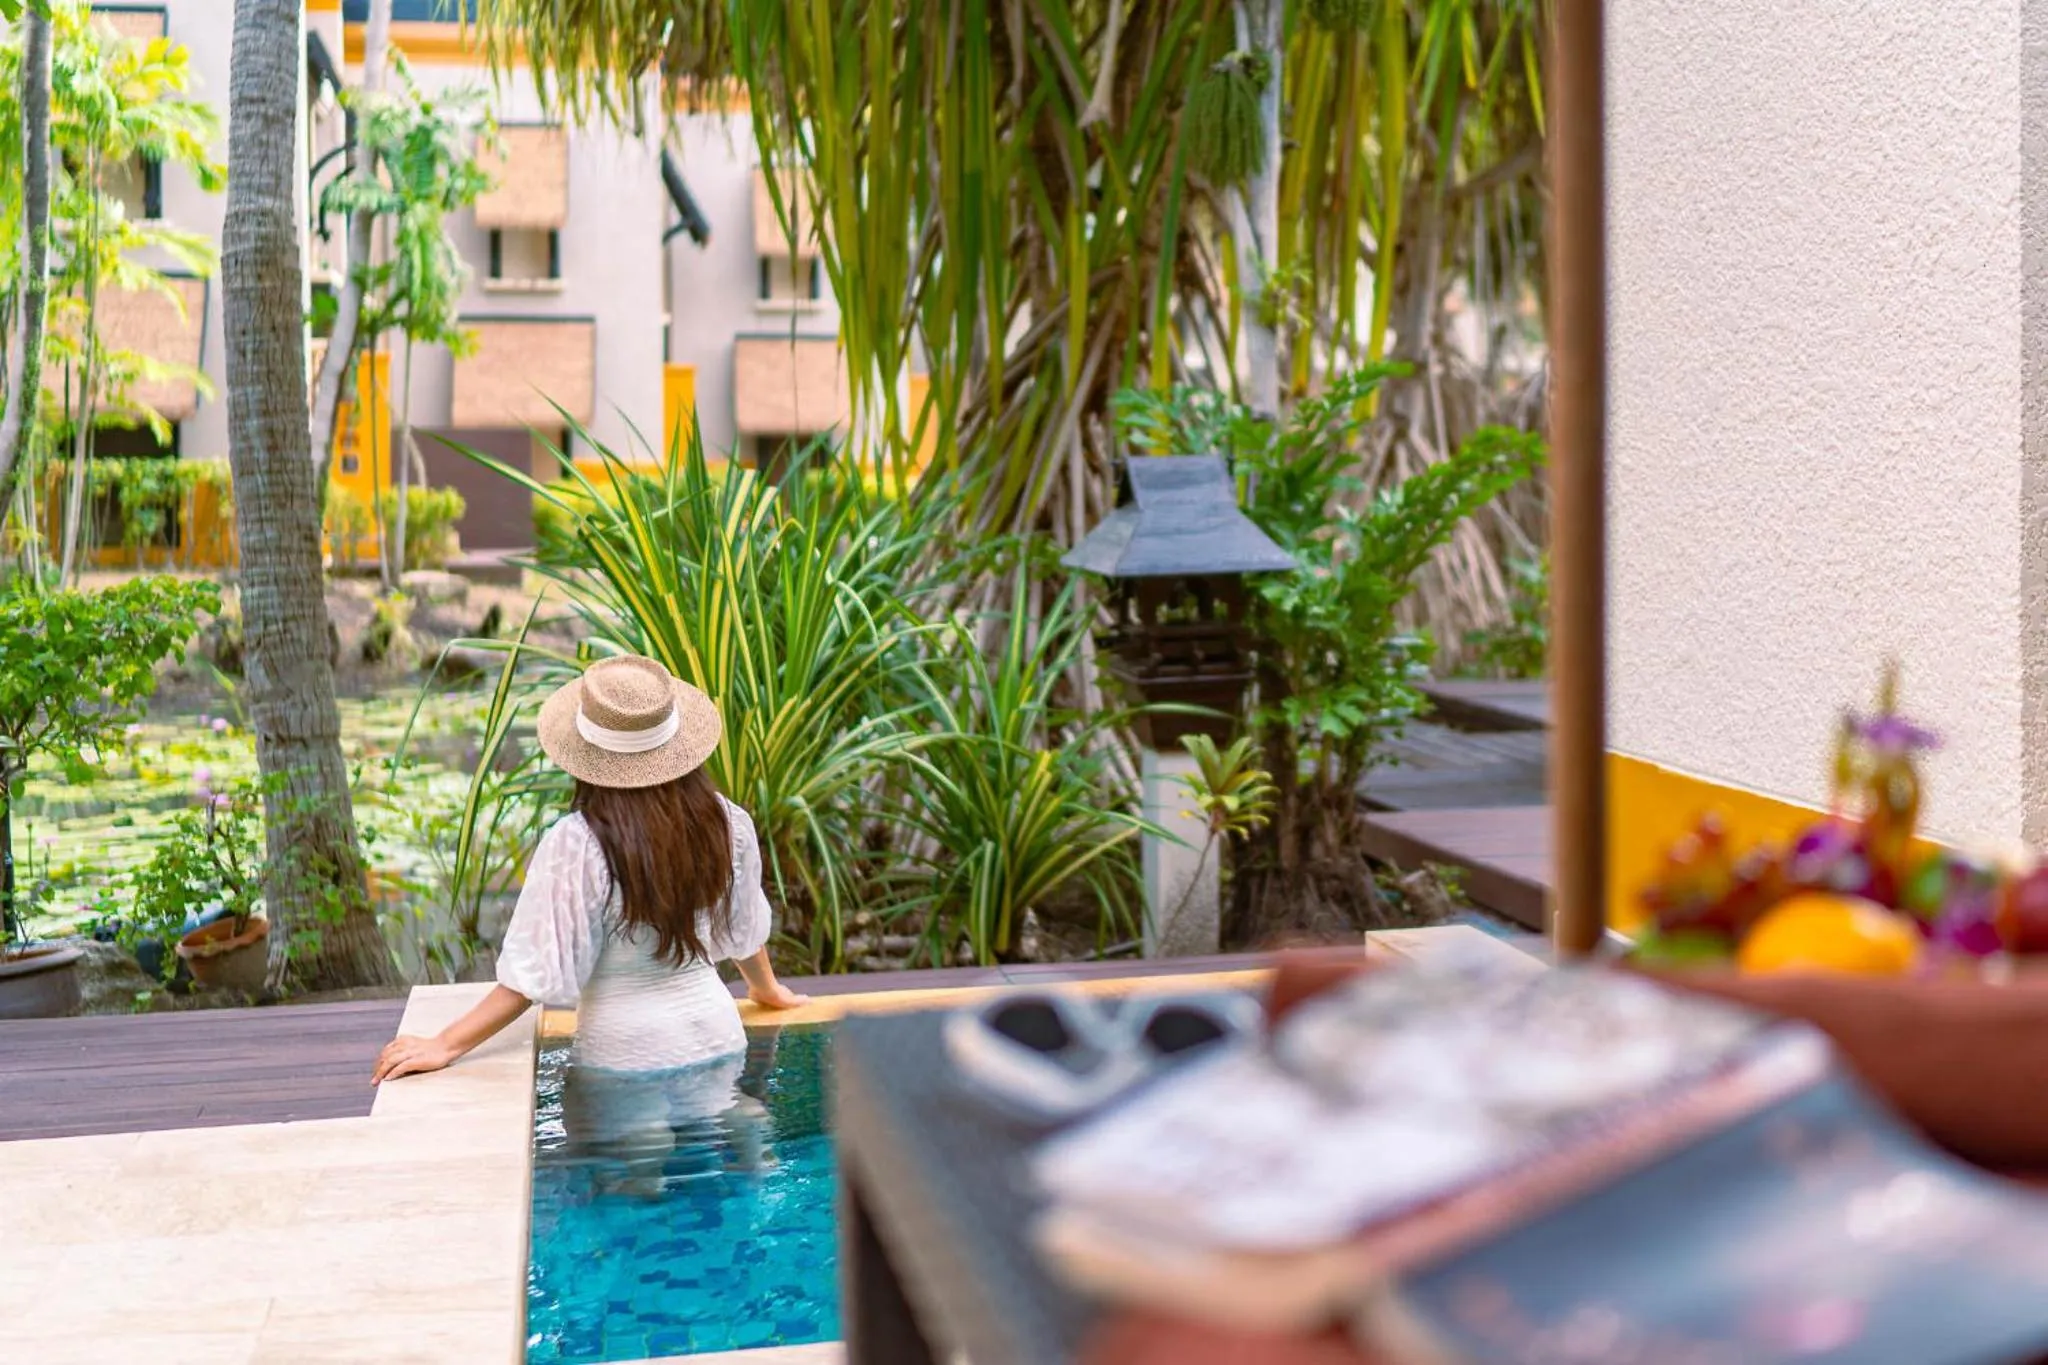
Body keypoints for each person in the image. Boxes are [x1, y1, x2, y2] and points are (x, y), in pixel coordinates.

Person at [373, 654, 810, 1094]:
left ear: (587, 756)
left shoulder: (579, 843)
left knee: (629, 1164)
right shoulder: (726, 822)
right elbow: (744, 930)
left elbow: (531, 979)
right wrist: (767, 990)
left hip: (628, 1058)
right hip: (719, 1038)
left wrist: (444, 1044)